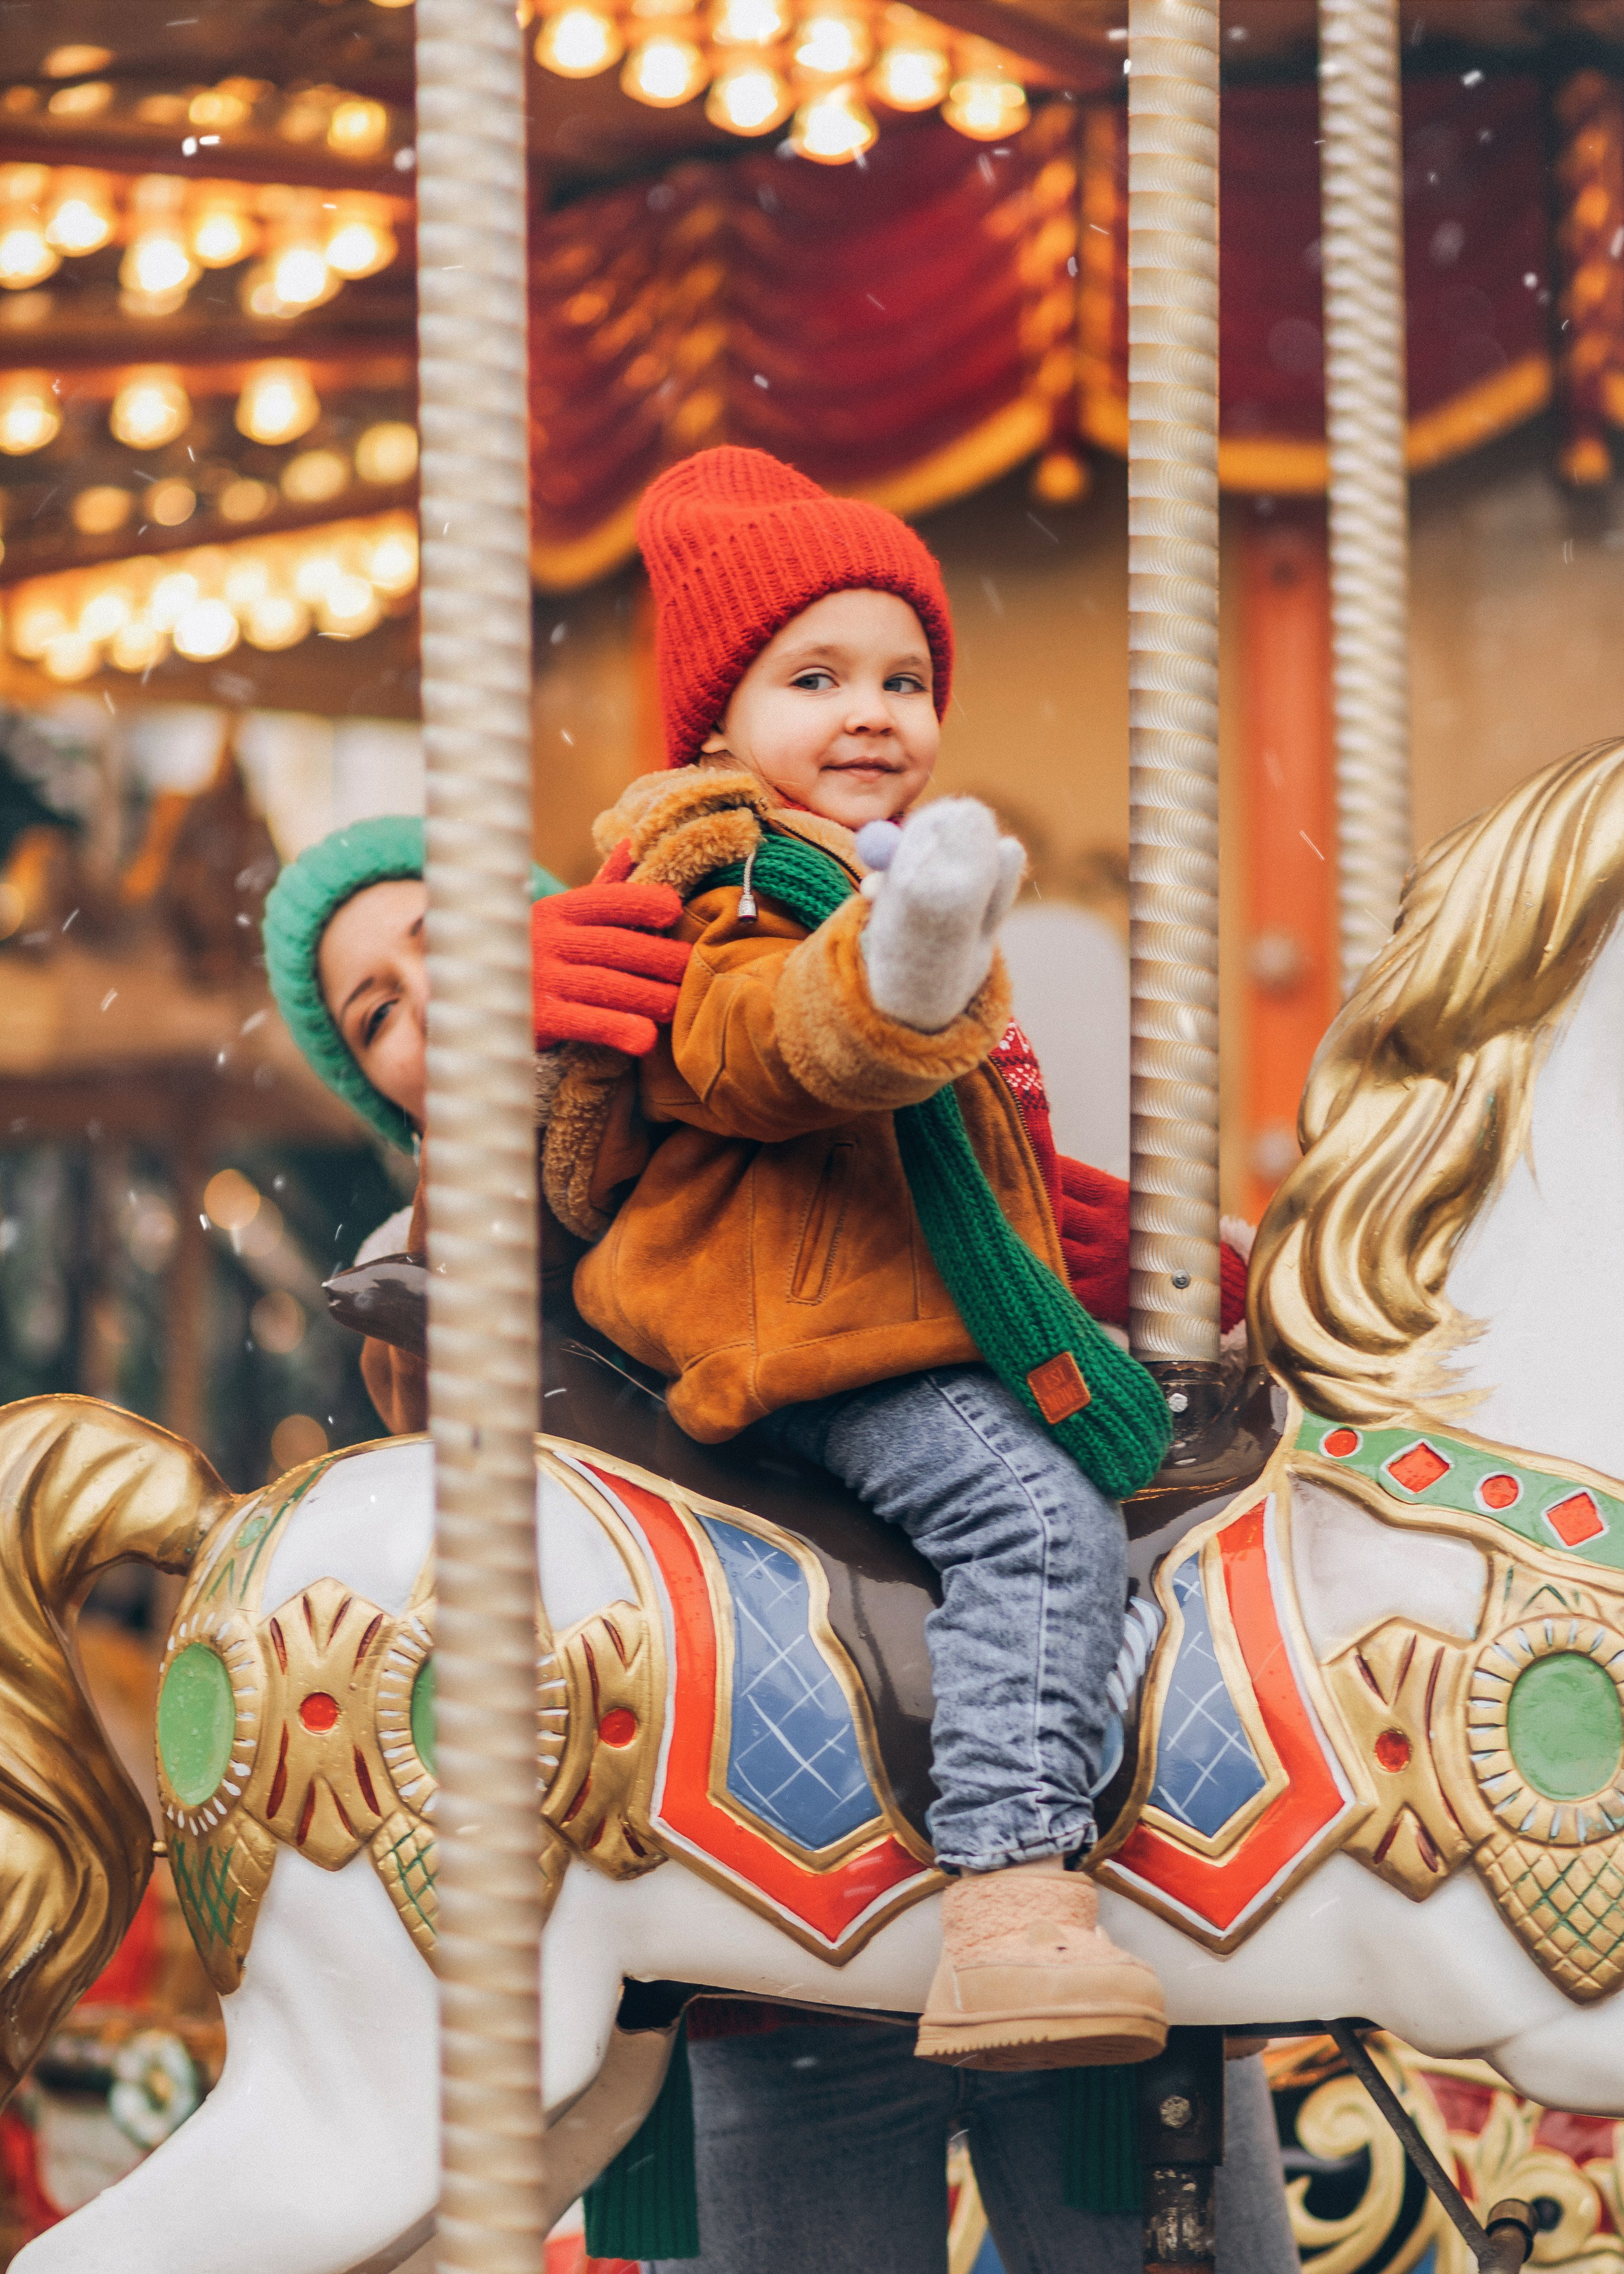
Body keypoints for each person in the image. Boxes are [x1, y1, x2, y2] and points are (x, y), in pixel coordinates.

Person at [263, 803, 1286, 2274]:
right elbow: (474, 1453)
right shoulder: (440, 1262)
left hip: (1095, 1929)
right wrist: (507, 1112)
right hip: (774, 1957)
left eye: (448, 945)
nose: (432, 1000)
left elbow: (1023, 1215)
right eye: (381, 1012)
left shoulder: (802, 1103)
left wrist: (1148, 1267)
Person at [551, 446, 1174, 2073]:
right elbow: (774, 1049)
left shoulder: (880, 867)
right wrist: (898, 971)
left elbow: (961, 1155)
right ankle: (1010, 1893)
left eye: (903, 676)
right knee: (1034, 1513)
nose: (872, 711)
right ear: (717, 718)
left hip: (879, 1306)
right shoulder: (724, 876)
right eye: (813, 676)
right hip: (798, 1331)